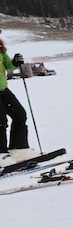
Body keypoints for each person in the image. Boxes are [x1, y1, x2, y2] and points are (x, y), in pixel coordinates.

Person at [0, 30, 36, 166]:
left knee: (20, 114)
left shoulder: (0, 50)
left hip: (3, 88)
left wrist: (15, 62)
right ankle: (1, 153)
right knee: (0, 120)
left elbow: (8, 65)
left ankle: (18, 148)